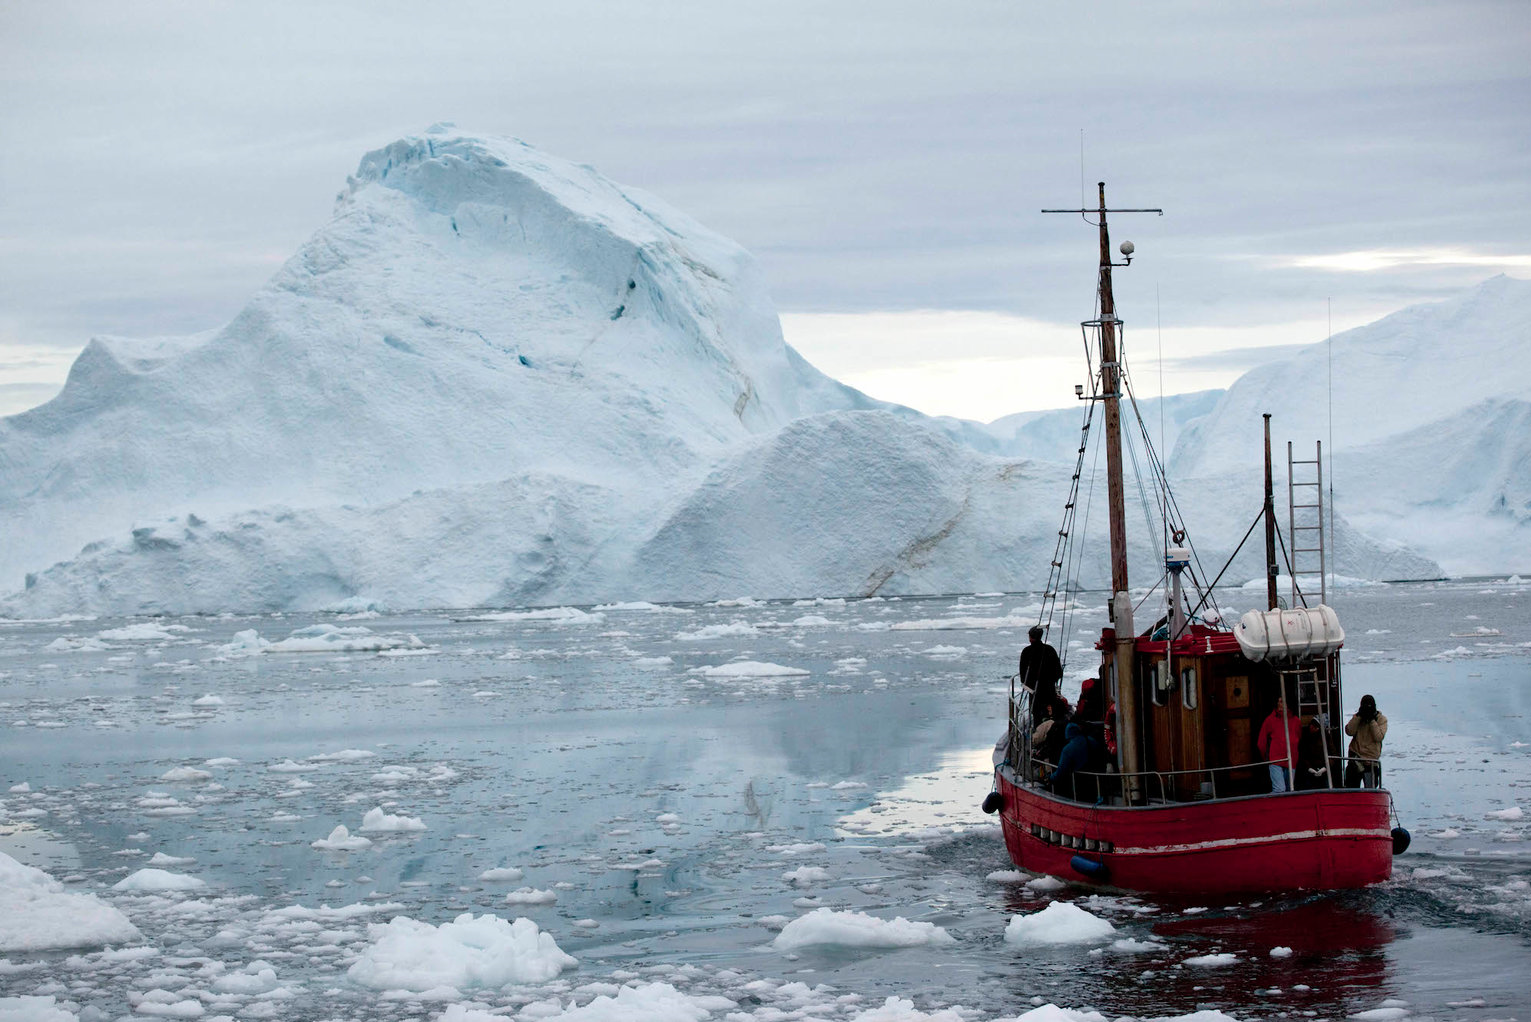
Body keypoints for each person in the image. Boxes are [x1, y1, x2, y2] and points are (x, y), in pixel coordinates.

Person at [1019, 625, 1062, 728]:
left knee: (1036, 714)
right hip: (1049, 690)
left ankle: (1037, 734)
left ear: (1030, 637)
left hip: (1034, 691)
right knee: (1051, 713)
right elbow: (1058, 672)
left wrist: (1028, 684)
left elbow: (1023, 673)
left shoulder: (1026, 651)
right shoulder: (1050, 650)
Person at [1257, 695, 1301, 793]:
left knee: (1290, 790)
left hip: (1291, 760)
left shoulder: (1296, 721)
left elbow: (1298, 738)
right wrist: (1267, 759)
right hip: (1276, 760)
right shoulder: (1270, 720)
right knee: (1279, 790)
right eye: (1278, 701)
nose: (1279, 703)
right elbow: (1261, 742)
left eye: (1282, 701)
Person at [1344, 694, 1388, 788]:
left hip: (1371, 761)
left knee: (1370, 789)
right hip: (1356, 758)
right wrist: (1359, 716)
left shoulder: (1381, 720)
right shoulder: (1358, 717)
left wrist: (1372, 720)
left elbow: (1378, 737)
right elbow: (1349, 731)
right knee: (1350, 788)